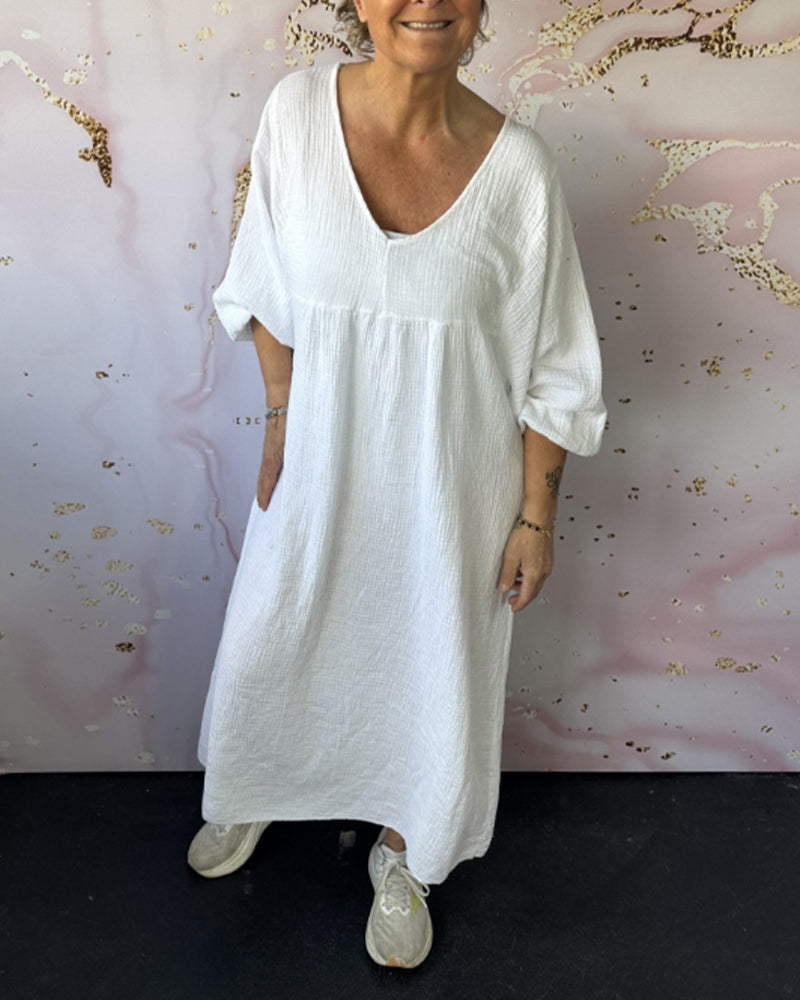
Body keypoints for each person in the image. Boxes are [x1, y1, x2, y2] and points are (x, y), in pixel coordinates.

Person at [188, 0, 606, 969]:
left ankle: (408, 852)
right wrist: (280, 417)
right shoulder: (296, 114)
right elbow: (265, 282)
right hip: (321, 462)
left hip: (452, 493)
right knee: (273, 636)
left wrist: (535, 517)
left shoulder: (520, 172)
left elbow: (557, 364)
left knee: (432, 671)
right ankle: (256, 783)